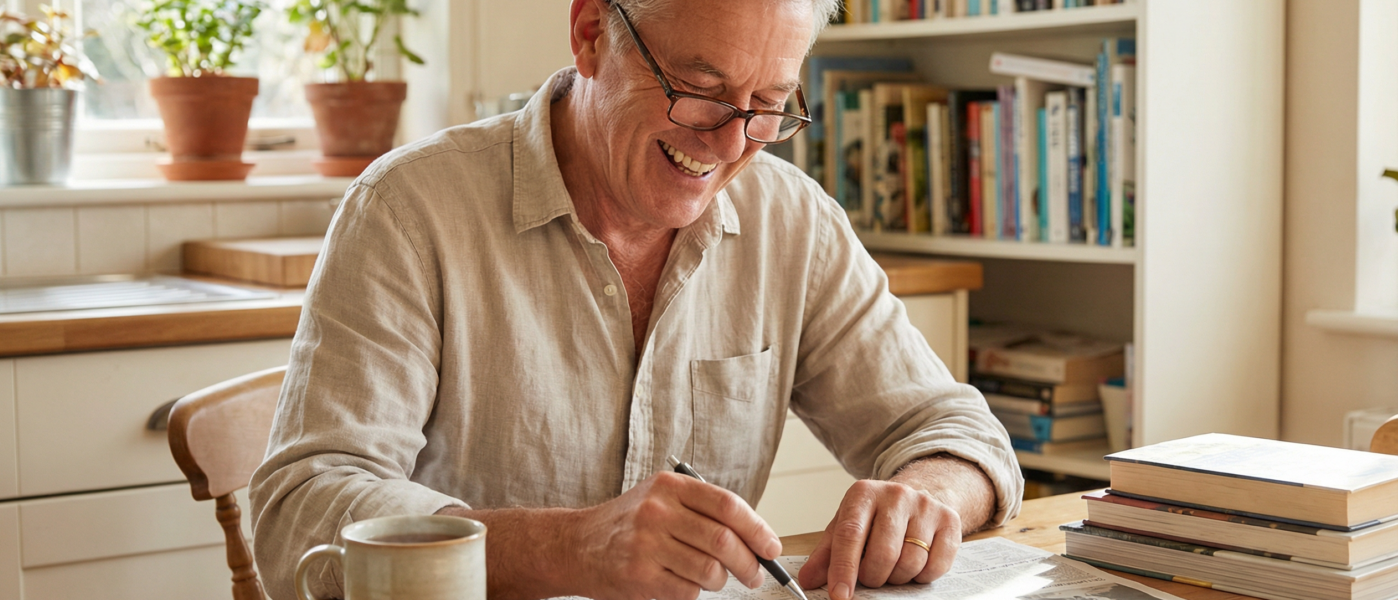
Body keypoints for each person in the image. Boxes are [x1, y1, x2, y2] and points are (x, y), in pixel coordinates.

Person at [249, 0, 1023, 599]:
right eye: (700, 90)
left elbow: (957, 433)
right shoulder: (409, 208)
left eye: (768, 105)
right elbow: (301, 512)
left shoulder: (793, 222)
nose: (728, 144)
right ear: (590, 33)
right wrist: (571, 547)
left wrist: (924, 496)